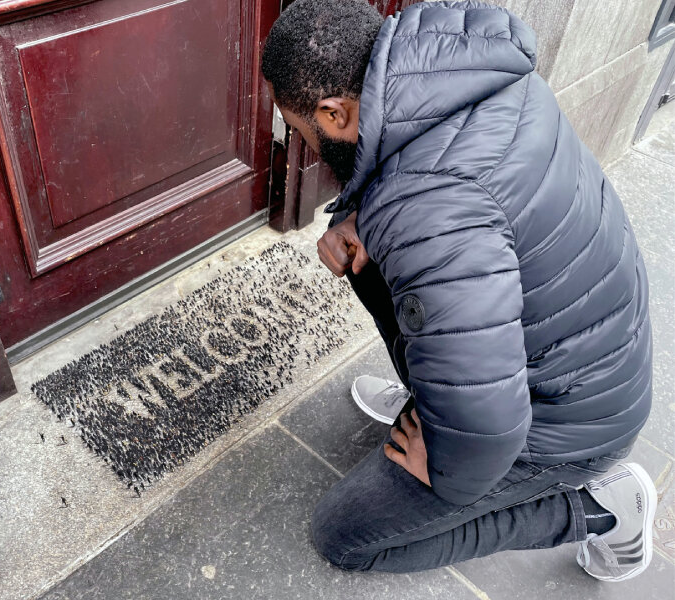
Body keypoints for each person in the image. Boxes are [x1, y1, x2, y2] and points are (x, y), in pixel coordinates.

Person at [261, 0, 656, 581]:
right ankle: (437, 395)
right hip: (584, 355)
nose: (305, 145)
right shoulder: (452, 68)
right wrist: (361, 218)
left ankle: (603, 509)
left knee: (344, 536)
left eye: (301, 132)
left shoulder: (429, 209)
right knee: (363, 253)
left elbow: (492, 415)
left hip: (570, 417)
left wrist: (450, 467)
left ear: (333, 112)